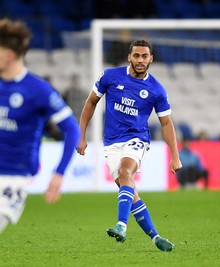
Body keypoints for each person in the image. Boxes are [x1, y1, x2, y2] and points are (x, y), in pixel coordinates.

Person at [76, 39, 182, 251]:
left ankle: (121, 225)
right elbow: (91, 102)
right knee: (130, 191)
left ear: (151, 58)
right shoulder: (110, 76)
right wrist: (82, 135)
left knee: (126, 172)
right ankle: (155, 237)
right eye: (136, 56)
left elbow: (166, 122)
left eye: (144, 56)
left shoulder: (156, 90)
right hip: (112, 144)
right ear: (129, 57)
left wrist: (175, 155)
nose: (140, 60)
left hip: (137, 139)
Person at [0, 18, 80, 233]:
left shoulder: (38, 90)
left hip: (11, 179)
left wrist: (59, 173)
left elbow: (72, 129)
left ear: (7, 56)